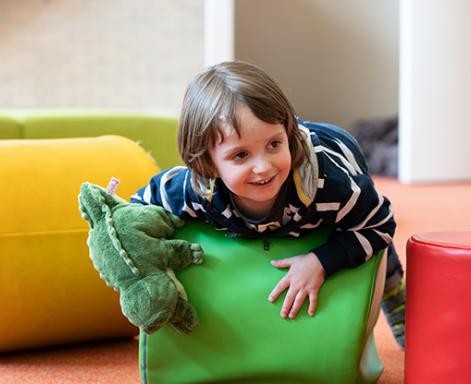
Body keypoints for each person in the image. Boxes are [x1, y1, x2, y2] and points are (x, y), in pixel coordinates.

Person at [130, 61, 406, 348]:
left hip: (337, 151)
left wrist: (321, 261)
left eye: (274, 144)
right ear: (207, 162)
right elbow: (137, 206)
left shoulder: (328, 184)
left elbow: (380, 222)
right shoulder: (194, 189)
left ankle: (396, 294)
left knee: (376, 244)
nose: (263, 167)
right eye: (240, 155)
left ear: (287, 134)